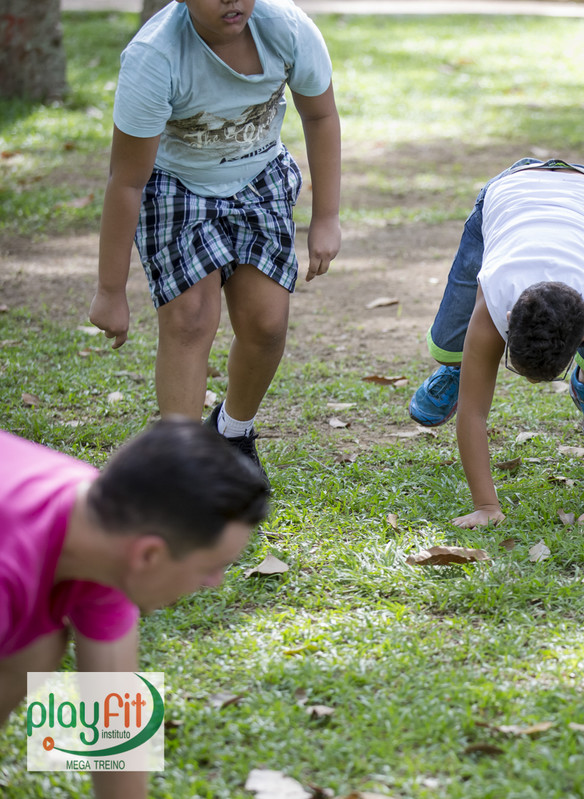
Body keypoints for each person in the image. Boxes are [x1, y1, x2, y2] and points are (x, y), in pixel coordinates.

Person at [88, 0, 342, 480]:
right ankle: (183, 469)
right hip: (176, 183)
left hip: (260, 178)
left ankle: (232, 431)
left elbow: (320, 116)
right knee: (189, 319)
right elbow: (127, 180)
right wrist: (110, 290)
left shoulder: (285, 28)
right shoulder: (156, 56)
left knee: (267, 324)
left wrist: (326, 216)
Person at [0, 419, 270, 799]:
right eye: (210, 566)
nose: (216, 582)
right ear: (149, 555)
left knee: (38, 644)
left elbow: (113, 711)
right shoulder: (10, 569)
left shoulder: (103, 526)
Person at [408, 157, 584, 528]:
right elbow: (473, 412)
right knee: (451, 342)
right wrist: (485, 506)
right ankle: (457, 369)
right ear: (509, 318)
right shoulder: (497, 292)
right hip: (508, 193)